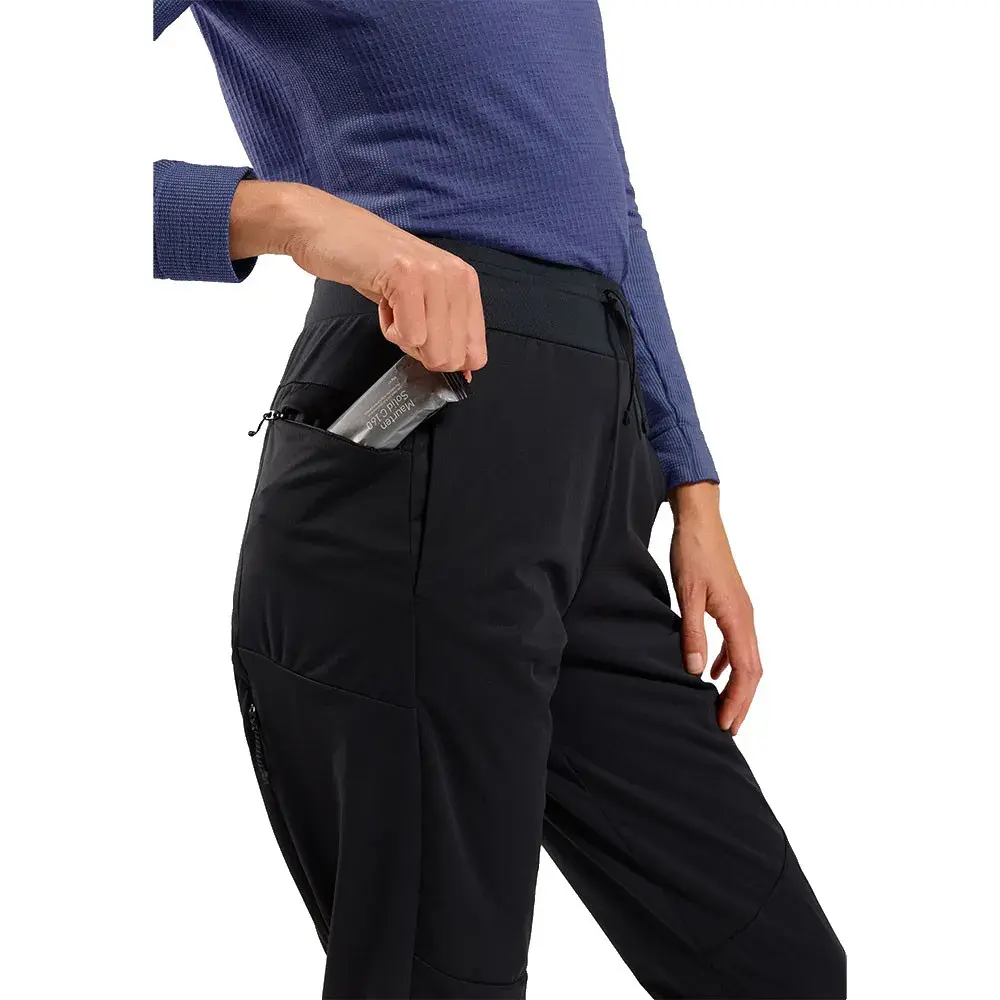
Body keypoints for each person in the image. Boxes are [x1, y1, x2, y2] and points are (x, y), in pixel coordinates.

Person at [153, 2, 845, 997]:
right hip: (416, 442)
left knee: (782, 965)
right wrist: (296, 219)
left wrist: (692, 485)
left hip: (599, 482)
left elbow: (605, 207)